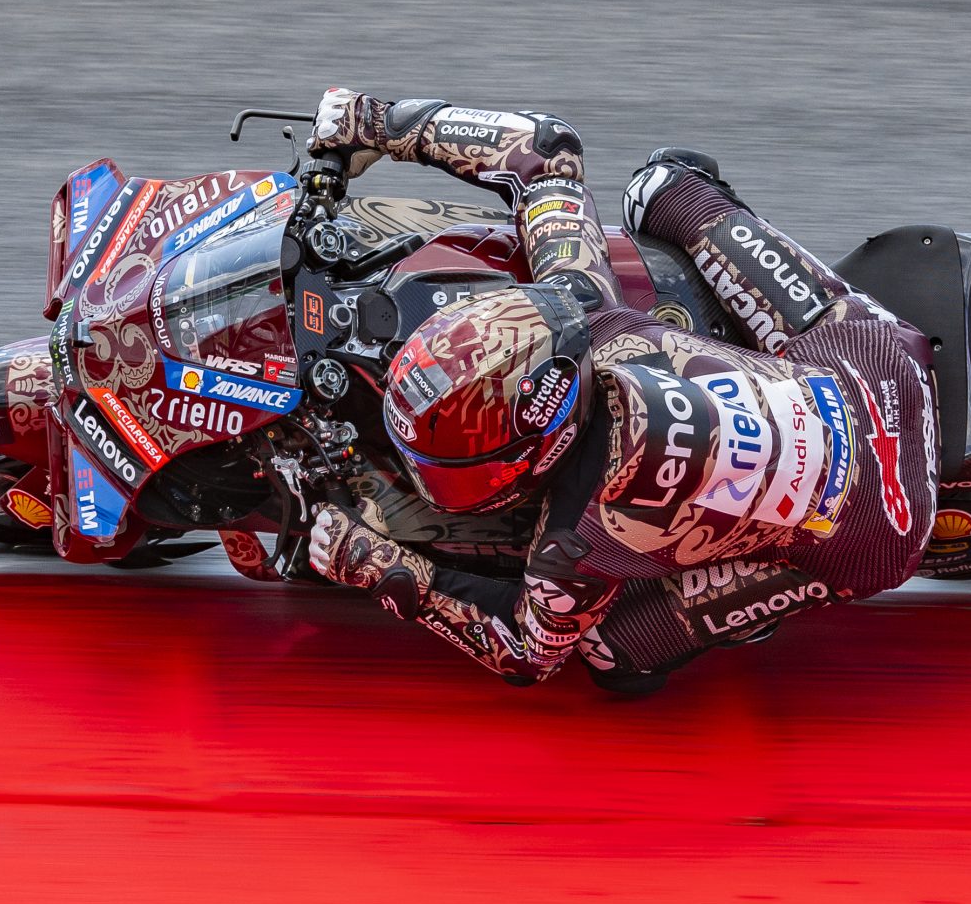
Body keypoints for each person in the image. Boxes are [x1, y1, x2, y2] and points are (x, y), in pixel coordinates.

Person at [302, 89, 937, 690]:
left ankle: (768, 588)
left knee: (612, 654)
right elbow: (547, 148)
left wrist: (377, 564)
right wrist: (373, 120)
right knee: (662, 186)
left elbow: (526, 652)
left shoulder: (573, 540)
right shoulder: (583, 307)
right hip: (877, 366)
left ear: (537, 451)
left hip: (884, 531)